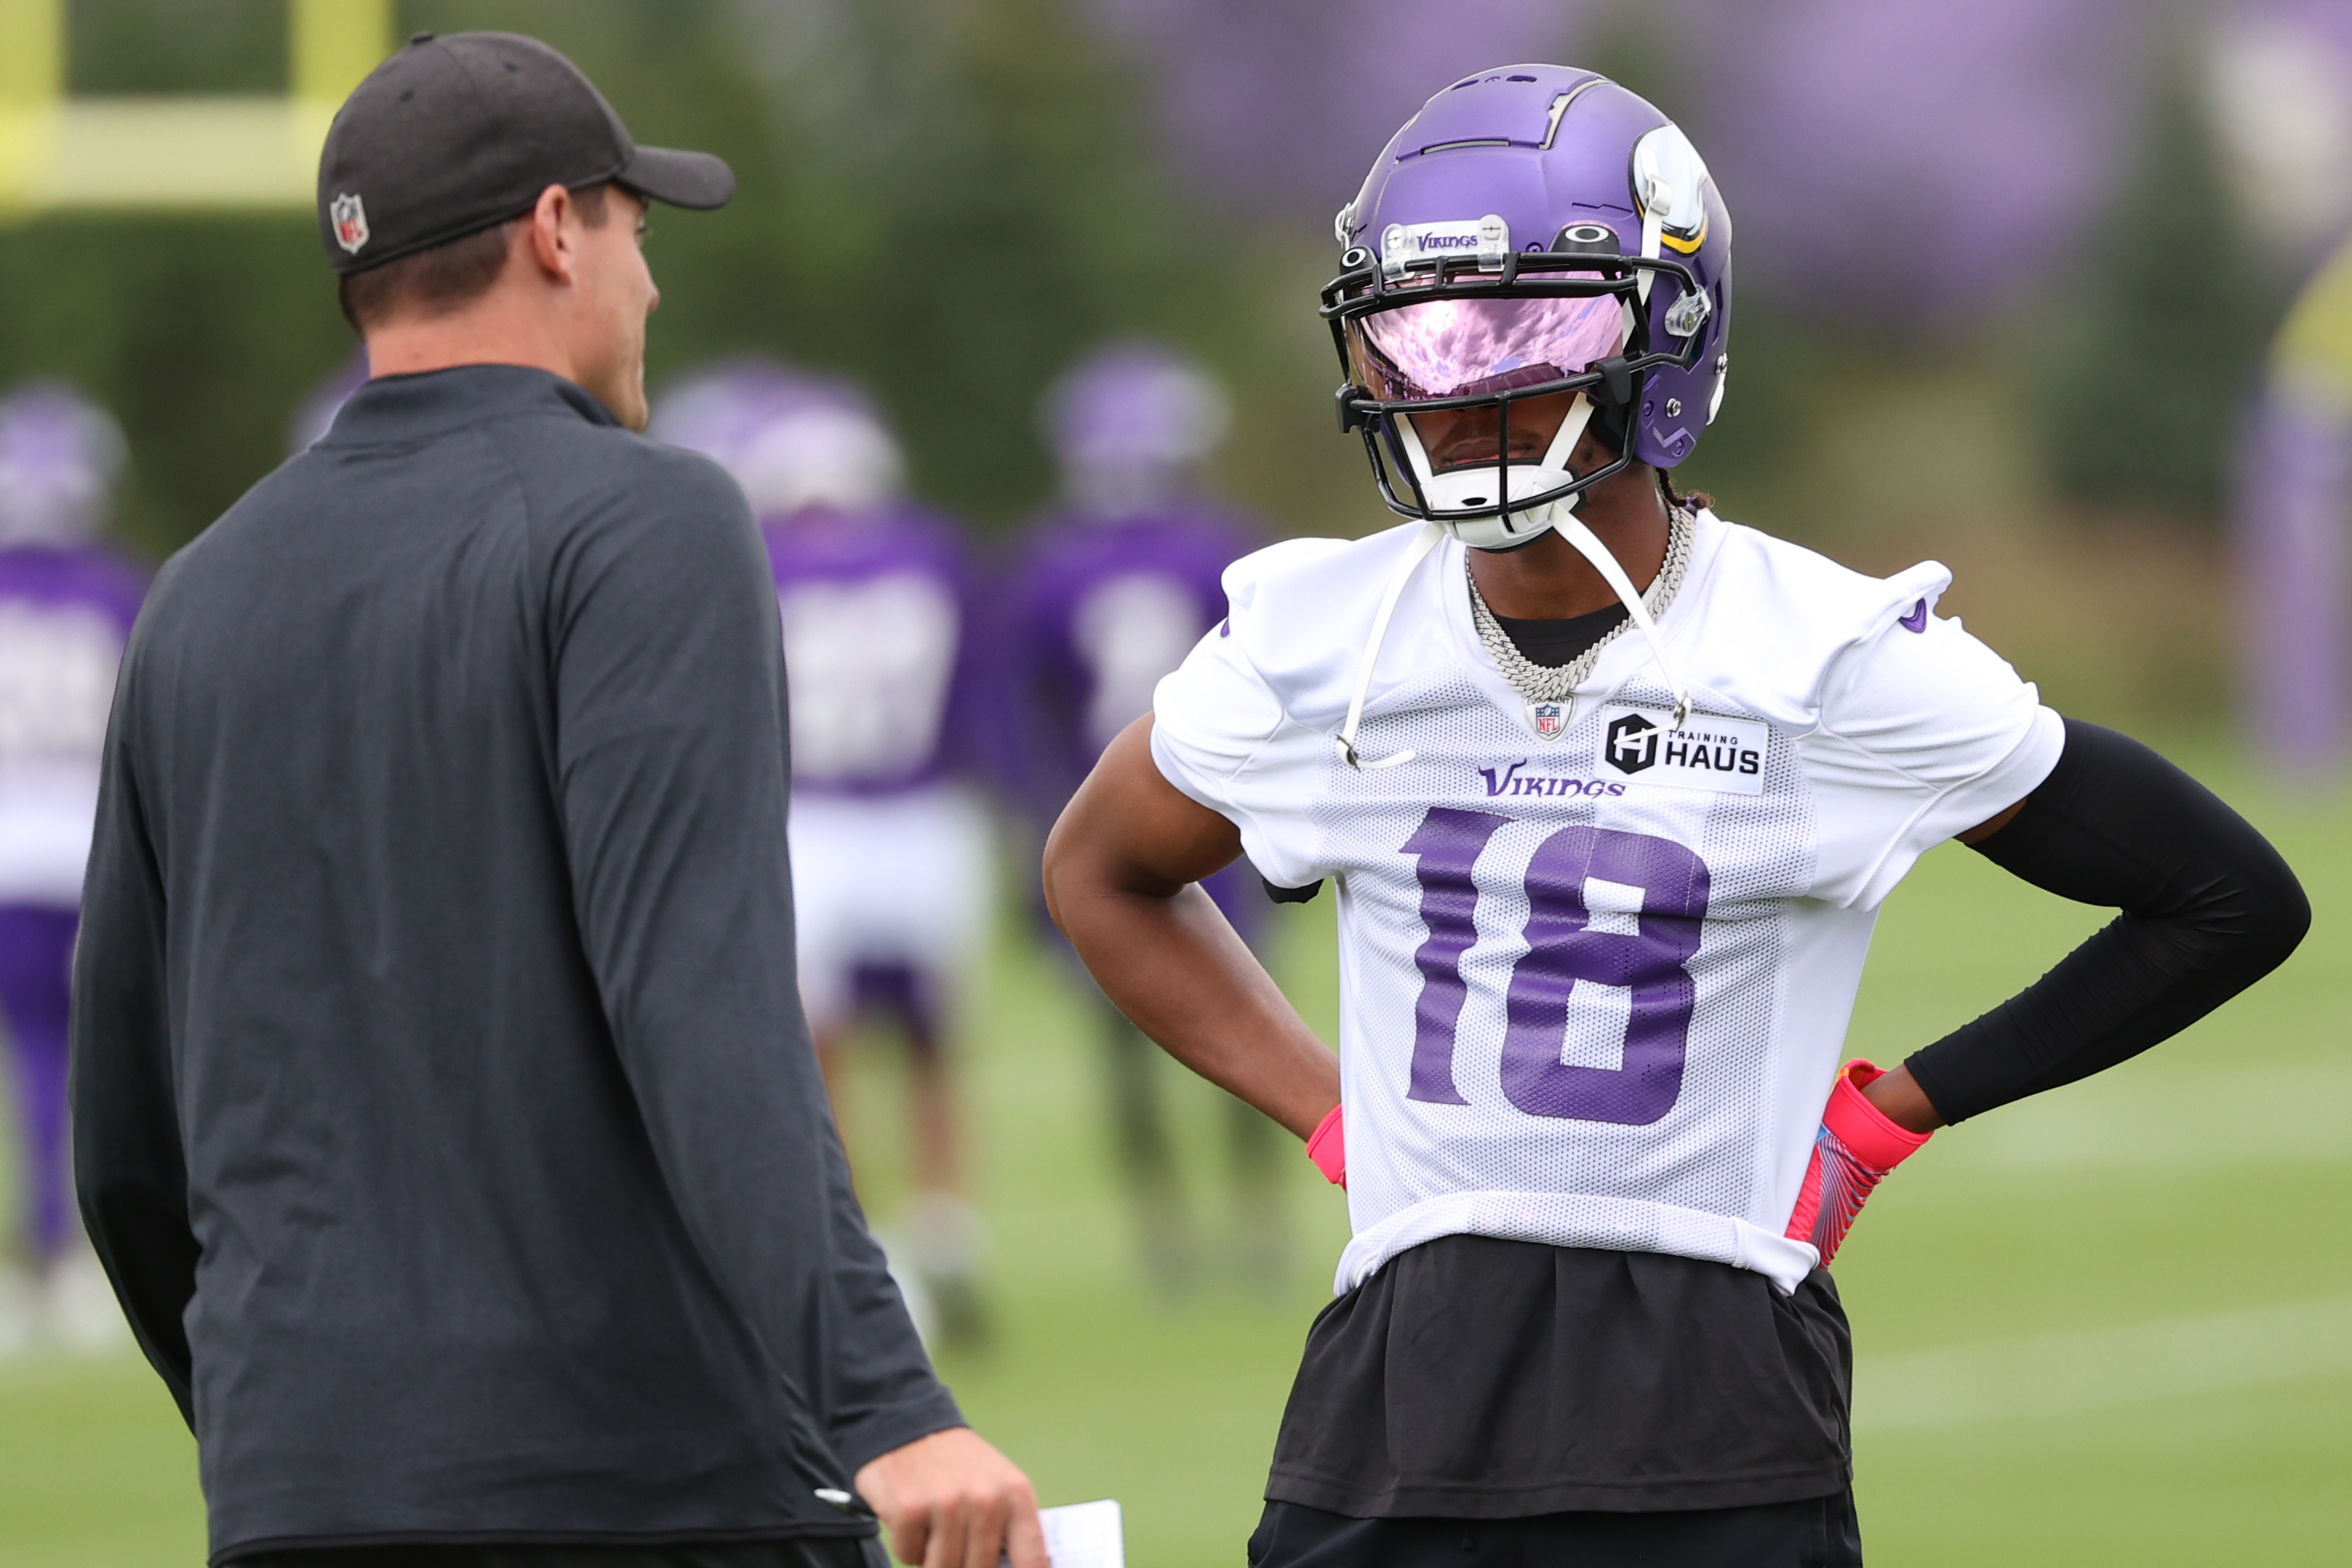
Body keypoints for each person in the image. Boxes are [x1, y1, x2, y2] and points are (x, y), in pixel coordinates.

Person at [1042, 67, 2310, 1567]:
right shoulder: (1320, 638)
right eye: (1418, 335)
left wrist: (1894, 1113)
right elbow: (1099, 872)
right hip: (1398, 1391)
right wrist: (1332, 1113)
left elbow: (2225, 898)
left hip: (1712, 1386)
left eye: (1522, 330)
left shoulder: (1821, 656)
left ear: (1667, 332)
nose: (1453, 390)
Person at [71, 32, 1040, 1568]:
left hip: (297, 1491)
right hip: (629, 1485)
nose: (649, 286)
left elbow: (122, 1123)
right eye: (637, 234)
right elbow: (699, 998)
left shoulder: (193, 593)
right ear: (553, 229)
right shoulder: (647, 522)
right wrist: (886, 1403)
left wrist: (302, 1438)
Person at [652, 361, 997, 1346]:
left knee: (822, 1044)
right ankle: (946, 1229)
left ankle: (864, 1238)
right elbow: (976, 696)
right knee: (931, 1043)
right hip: (925, 812)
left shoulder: (756, 558)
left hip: (817, 816)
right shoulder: (931, 551)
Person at [1009, 341, 1288, 1297]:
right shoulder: (1220, 547)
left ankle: (1167, 1230)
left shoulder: (1051, 560)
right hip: (1216, 815)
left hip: (1113, 814)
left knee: (1130, 1036)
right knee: (1252, 1021)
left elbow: (1033, 706)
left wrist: (1038, 815)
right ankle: (1253, 1224)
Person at [0, 384, 144, 1354]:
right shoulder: (117, 587)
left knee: (37, 1060)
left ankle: (35, 1261)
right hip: (86, 852)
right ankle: (72, 1252)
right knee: (85, 1062)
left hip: (7, 851)